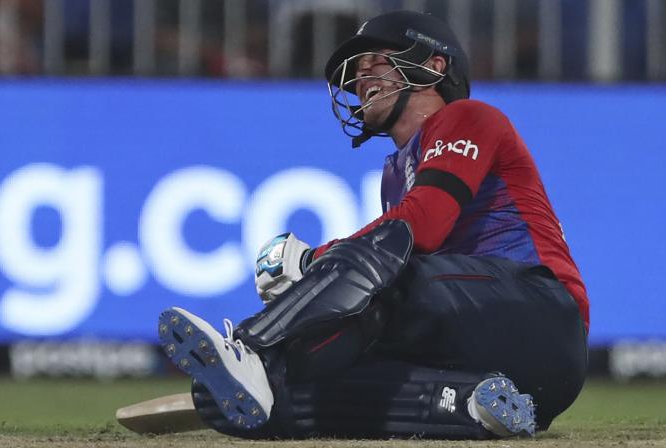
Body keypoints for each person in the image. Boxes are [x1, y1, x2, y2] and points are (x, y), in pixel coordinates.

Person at [158, 10, 589, 440]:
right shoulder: (394, 172)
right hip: (517, 372)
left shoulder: (470, 117)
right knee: (275, 406)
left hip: (542, 316)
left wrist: (313, 260)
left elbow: (425, 224)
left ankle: (254, 352)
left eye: (375, 61)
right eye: (355, 73)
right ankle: (471, 406)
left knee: (380, 259)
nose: (361, 78)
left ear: (434, 66)